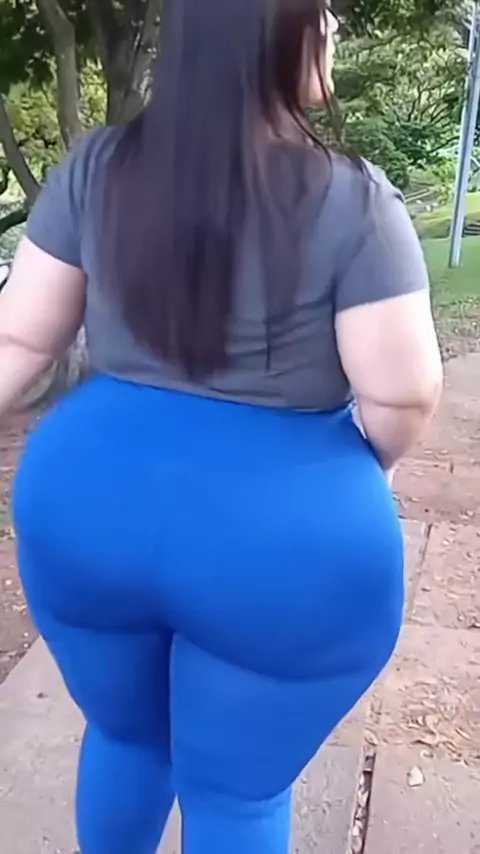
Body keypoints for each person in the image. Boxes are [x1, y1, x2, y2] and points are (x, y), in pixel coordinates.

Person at [2, 2, 441, 853]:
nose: (334, 26)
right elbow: (402, 398)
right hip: (282, 549)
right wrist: (357, 471)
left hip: (86, 509)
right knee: (236, 794)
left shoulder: (98, 166)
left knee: (125, 737)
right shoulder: (353, 201)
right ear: (273, 35)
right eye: (322, 10)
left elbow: (19, 341)